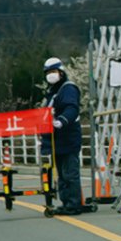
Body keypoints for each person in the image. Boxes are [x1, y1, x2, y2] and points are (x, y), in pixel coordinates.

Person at [41, 57, 85, 216]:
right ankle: (66, 202)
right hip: (55, 140)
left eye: (54, 71)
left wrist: (62, 120)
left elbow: (72, 108)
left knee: (70, 173)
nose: (51, 75)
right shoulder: (52, 92)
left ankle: (74, 204)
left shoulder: (68, 88)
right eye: (48, 72)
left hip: (67, 137)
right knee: (61, 174)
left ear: (61, 72)